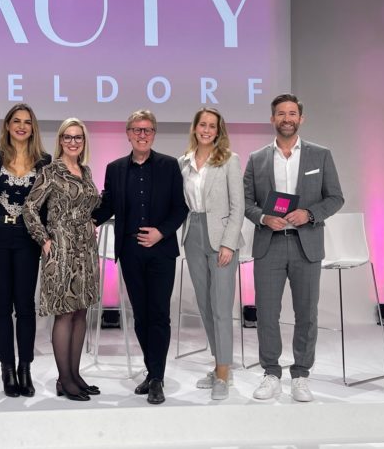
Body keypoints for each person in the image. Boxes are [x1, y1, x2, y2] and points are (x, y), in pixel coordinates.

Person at [243, 93, 344, 402]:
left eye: (292, 113)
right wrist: (263, 218)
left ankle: (300, 375)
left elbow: (336, 197)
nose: (286, 118)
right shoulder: (257, 158)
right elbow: (246, 202)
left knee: (306, 314)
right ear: (272, 119)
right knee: (268, 314)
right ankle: (271, 373)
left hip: (306, 245)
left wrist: (310, 214)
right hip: (269, 245)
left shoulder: (320, 155)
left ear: (301, 118)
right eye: (280, 114)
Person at [93, 110, 188, 405]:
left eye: (147, 130)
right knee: (140, 315)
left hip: (161, 250)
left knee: (159, 314)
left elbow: (180, 208)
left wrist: (161, 232)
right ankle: (152, 371)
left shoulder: (170, 166)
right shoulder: (115, 168)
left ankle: (157, 377)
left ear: (154, 133)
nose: (142, 135)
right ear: (128, 133)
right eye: (136, 130)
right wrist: (84, 221)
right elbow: (107, 205)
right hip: (131, 251)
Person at [22, 118, 101, 401]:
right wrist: (43, 240)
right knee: (65, 312)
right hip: (63, 251)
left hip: (86, 251)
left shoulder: (86, 171)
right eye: (67, 137)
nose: (73, 142)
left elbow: (90, 204)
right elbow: (29, 208)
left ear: (83, 141)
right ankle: (64, 378)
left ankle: (75, 374)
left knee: (81, 312)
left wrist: (93, 219)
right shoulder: (51, 171)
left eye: (78, 137)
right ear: (60, 141)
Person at [0, 104, 51, 398]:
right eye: (16, 121)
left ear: (33, 128)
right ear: (8, 125)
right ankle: (7, 369)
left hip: (27, 238)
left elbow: (49, 203)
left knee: (24, 305)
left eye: (27, 122)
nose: (21, 126)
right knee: (1, 304)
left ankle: (25, 369)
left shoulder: (44, 161)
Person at [178, 108, 245, 400]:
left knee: (221, 307)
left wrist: (229, 243)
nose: (206, 130)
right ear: (194, 128)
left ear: (218, 131)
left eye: (212, 126)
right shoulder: (183, 162)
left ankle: (222, 375)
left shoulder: (230, 160)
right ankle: (221, 365)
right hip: (193, 232)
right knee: (205, 306)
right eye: (202, 125)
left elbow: (238, 206)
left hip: (221, 238)